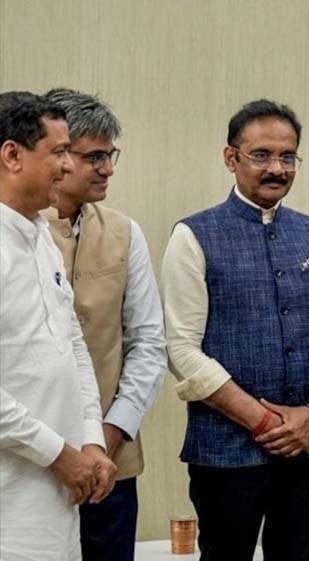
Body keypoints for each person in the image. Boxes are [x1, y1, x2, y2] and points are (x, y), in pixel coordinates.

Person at [162, 99, 309, 561]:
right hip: (225, 451)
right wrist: (264, 421)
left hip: (306, 445)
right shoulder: (193, 235)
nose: (277, 169)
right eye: (262, 155)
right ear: (231, 158)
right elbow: (181, 350)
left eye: (288, 157)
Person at [41, 88, 167, 561]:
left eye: (110, 155)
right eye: (94, 156)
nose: (108, 168)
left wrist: (108, 436)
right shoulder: (19, 230)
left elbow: (148, 342)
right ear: (56, 155)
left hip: (111, 463)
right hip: (30, 460)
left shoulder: (124, 231)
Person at [0, 91, 116, 560]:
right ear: (12, 155)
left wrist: (90, 440)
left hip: (60, 505)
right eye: (59, 152)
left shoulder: (41, 237)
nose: (69, 166)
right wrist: (59, 453)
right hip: (10, 513)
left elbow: (73, 347)